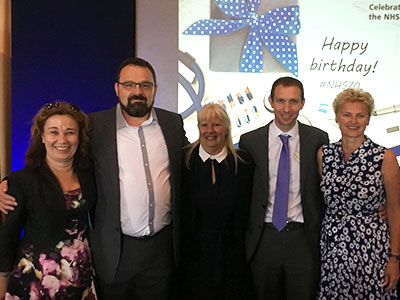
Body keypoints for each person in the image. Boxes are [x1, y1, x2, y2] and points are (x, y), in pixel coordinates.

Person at [0, 57, 188, 300]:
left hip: (160, 251)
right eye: (129, 84)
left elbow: (189, 166)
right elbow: (55, 161)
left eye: (145, 85)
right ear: (117, 88)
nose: (137, 91)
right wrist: (7, 184)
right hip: (113, 251)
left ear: (155, 89)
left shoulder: (173, 123)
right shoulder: (95, 125)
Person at [239, 76, 329, 300]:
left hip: (303, 238)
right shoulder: (250, 141)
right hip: (264, 237)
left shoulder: (318, 138)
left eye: (293, 101)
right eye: (280, 101)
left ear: (302, 103)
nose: (286, 109)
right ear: (270, 101)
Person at [0, 102, 97, 299]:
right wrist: (2, 280)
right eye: (54, 132)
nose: (62, 139)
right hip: (36, 280)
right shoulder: (22, 180)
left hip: (81, 278)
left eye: (70, 132)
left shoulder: (91, 176)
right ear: (42, 137)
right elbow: (8, 236)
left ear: (79, 137)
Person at [317, 88, 400, 299]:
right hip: (334, 248)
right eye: (347, 114)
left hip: (373, 248)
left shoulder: (385, 157)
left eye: (360, 115)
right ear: (337, 117)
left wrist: (394, 258)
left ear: (368, 119)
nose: (353, 121)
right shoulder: (324, 155)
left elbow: (394, 209)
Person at [179, 104, 255, 300]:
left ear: (227, 128)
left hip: (232, 256)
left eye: (216, 124)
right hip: (194, 256)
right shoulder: (184, 160)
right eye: (204, 125)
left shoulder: (244, 163)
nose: (210, 131)